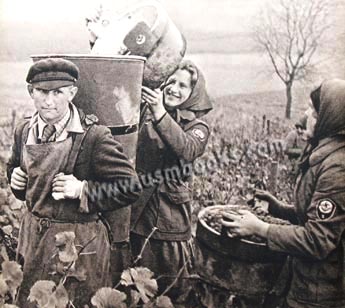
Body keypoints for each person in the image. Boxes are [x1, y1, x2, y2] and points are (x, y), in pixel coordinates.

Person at [7, 58, 141, 307]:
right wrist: (15, 179)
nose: (49, 101)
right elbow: (15, 171)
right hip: (33, 237)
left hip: (77, 245)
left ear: (72, 92)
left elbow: (131, 187)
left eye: (58, 92)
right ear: (30, 92)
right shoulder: (23, 130)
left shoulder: (94, 137)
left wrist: (83, 189)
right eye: (42, 92)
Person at [221, 78, 345, 308]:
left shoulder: (337, 168)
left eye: (312, 109)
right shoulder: (323, 155)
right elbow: (312, 217)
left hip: (320, 294)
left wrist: (260, 228)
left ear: (327, 118)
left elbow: (318, 240)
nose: (305, 114)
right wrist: (278, 208)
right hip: (304, 281)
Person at [130, 60, 213, 305]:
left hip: (168, 217)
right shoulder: (145, 111)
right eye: (171, 81)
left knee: (168, 286)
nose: (174, 89)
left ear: (193, 94)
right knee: (135, 279)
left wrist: (160, 113)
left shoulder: (198, 126)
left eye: (183, 86)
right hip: (136, 208)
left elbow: (186, 148)